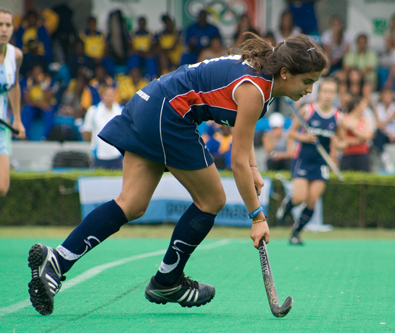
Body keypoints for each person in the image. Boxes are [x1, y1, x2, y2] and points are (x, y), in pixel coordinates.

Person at [27, 32, 327, 315]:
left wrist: (253, 167)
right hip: (170, 114)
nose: (310, 90)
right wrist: (258, 217)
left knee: (131, 204)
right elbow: (236, 162)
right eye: (308, 81)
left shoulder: (262, 80)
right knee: (212, 199)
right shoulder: (255, 90)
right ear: (286, 72)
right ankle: (167, 280)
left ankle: (57, 261)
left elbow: (240, 138)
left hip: (149, 103)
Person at [275, 78, 341, 244]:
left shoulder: (338, 117)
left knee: (312, 200)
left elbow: (340, 140)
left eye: (331, 92)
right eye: (325, 91)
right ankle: (286, 206)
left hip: (321, 164)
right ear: (320, 93)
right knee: (299, 197)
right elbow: (291, 133)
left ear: (335, 95)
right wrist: (304, 137)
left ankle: (296, 233)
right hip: (303, 159)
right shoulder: (308, 111)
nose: (327, 95)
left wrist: (339, 145)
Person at [0, 8, 25, 196]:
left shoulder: (16, 55)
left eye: (8, 25)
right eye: (0, 25)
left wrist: (17, 119)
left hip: (2, 127)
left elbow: (14, 86)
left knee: (2, 187)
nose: (4, 29)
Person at [80, 85, 123, 170]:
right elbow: (86, 132)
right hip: (99, 155)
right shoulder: (93, 111)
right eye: (107, 95)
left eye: (111, 95)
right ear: (102, 96)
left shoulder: (121, 111)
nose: (110, 98)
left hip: (117, 155)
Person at [336, 95, 374, 172]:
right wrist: (358, 140)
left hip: (362, 153)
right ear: (356, 106)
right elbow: (343, 138)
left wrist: (352, 128)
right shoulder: (344, 119)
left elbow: (368, 136)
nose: (365, 107)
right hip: (348, 154)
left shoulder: (364, 120)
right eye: (363, 104)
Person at [20, 64, 57, 140]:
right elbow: (27, 100)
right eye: (35, 74)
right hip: (35, 107)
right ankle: (24, 136)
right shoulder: (28, 82)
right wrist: (41, 104)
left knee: (49, 109)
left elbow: (48, 99)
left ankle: (47, 137)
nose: (38, 75)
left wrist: (42, 86)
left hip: (44, 107)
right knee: (27, 108)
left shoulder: (48, 82)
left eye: (39, 73)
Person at [373, 88, 395, 173]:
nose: (387, 98)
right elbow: (377, 124)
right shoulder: (377, 107)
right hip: (385, 134)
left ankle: (384, 156)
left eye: (389, 96)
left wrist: (389, 133)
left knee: (377, 135)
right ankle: (385, 157)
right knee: (377, 134)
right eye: (385, 96)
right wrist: (388, 133)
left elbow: (386, 121)